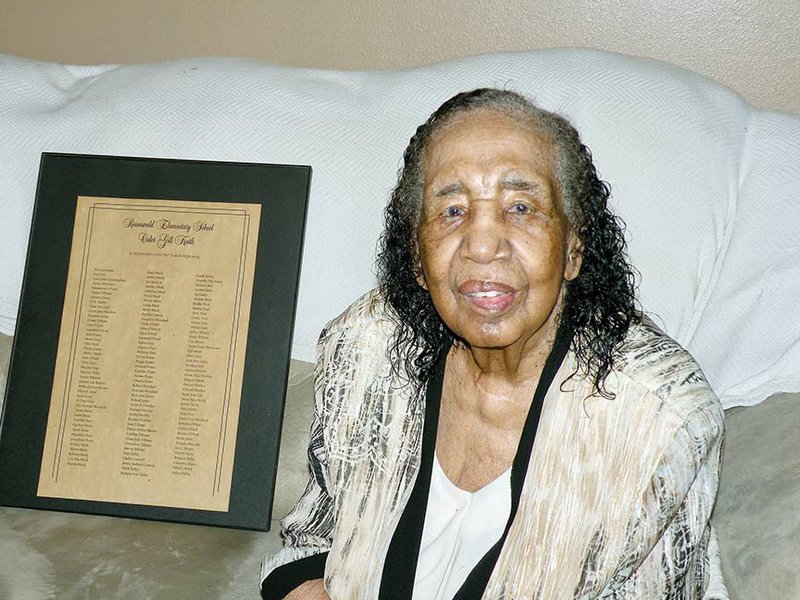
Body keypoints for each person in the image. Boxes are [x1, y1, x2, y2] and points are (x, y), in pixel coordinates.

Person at [261, 89, 726, 599]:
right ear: (418, 256)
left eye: (521, 207)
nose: (483, 245)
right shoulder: (363, 348)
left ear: (573, 248)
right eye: (453, 210)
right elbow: (314, 537)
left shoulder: (659, 417)